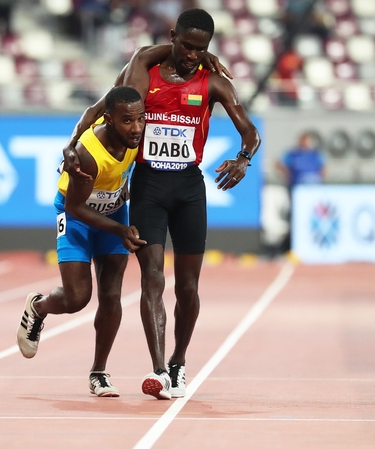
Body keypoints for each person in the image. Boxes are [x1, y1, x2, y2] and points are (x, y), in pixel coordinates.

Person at [63, 8, 261, 400]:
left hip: (189, 188)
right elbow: (110, 98)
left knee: (188, 286)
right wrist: (71, 146)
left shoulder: (214, 84)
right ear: (172, 37)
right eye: (186, 45)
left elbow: (249, 129)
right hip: (149, 185)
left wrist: (243, 158)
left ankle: (178, 363)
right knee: (152, 278)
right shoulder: (145, 73)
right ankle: (159, 373)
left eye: (199, 49)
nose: (191, 55)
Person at [17, 86, 147, 398]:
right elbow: (76, 207)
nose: (137, 128)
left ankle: (99, 372)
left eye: (140, 119)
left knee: (111, 295)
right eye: (128, 121)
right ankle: (38, 308)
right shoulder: (87, 157)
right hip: (76, 214)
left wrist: (124, 188)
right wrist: (120, 231)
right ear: (110, 121)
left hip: (114, 211)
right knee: (77, 298)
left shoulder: (136, 137)